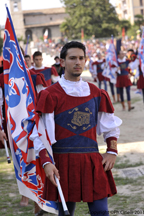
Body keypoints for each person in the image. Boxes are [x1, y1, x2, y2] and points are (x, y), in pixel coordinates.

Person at [30, 41, 122, 216]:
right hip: (62, 163)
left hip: (92, 161)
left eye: (81, 58)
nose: (78, 62)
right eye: (72, 58)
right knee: (66, 213)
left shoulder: (96, 93)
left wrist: (112, 151)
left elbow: (110, 127)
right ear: (62, 62)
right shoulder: (50, 95)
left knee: (101, 212)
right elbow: (39, 134)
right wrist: (47, 163)